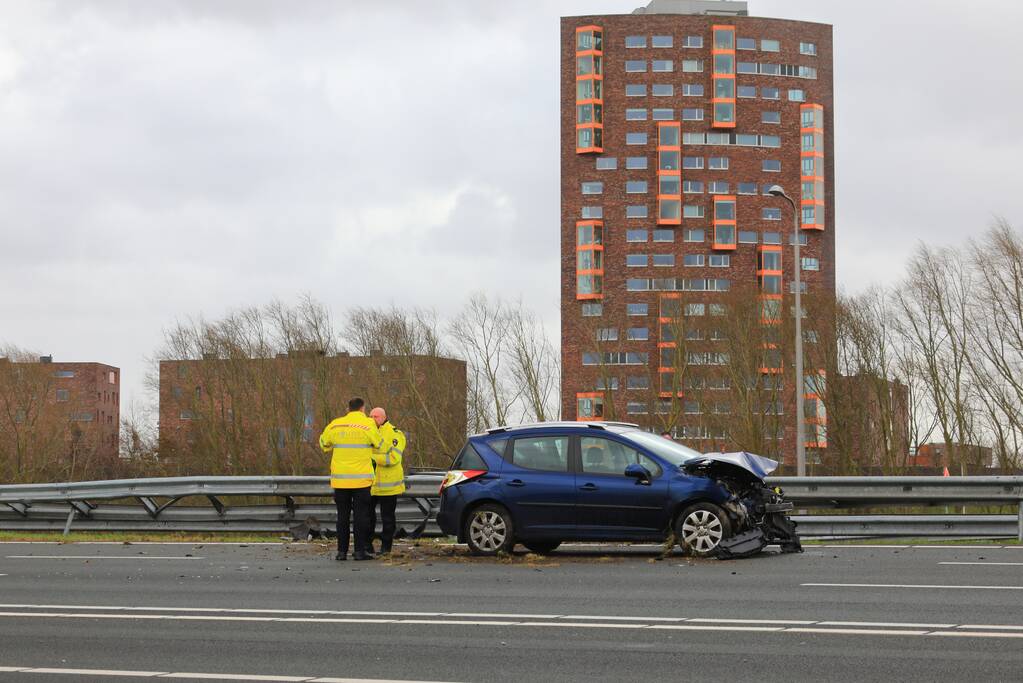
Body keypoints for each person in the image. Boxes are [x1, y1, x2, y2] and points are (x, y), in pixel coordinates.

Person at [319, 397, 383, 561]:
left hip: (340, 481)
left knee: (342, 517)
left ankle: (341, 552)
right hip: (361, 481)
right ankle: (359, 552)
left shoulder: (335, 424)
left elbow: (324, 443)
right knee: (361, 517)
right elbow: (379, 444)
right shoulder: (368, 424)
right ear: (362, 409)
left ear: (348, 409)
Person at [365, 407, 406, 555]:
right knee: (367, 518)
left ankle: (386, 548)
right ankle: (367, 546)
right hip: (370, 484)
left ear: (384, 417)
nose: (372, 419)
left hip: (389, 485)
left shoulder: (395, 434)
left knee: (387, 519)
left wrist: (372, 458)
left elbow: (393, 458)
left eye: (375, 416)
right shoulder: (367, 432)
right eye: (370, 416)